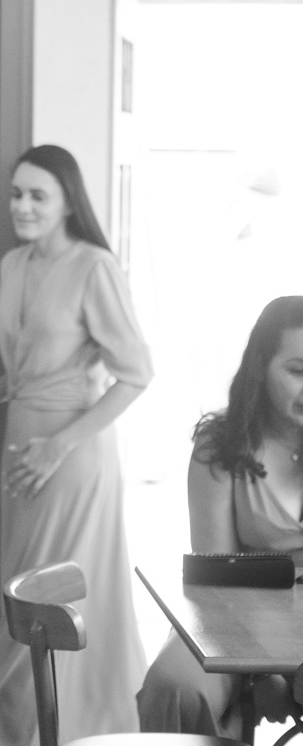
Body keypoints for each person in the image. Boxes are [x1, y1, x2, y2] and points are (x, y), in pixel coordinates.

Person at [0, 144, 153, 744]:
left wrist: (58, 446)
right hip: (21, 443)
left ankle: (18, 732)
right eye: (16, 193)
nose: (23, 205)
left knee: (46, 596)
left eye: (39, 194)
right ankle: (40, 726)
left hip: (71, 456)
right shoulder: (13, 264)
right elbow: (24, 372)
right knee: (26, 585)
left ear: (69, 203)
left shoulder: (94, 267)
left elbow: (137, 373)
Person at [138, 296, 303, 738]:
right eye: (297, 371)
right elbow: (215, 583)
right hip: (235, 618)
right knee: (174, 686)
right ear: (260, 366)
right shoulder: (223, 443)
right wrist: (258, 673)